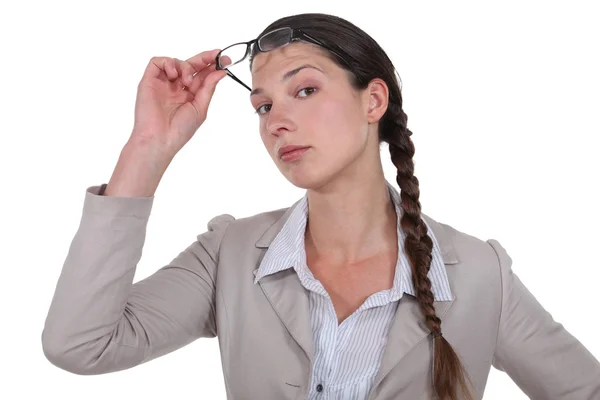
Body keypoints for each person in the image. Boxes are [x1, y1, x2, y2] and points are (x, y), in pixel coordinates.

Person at [41, 12, 600, 400]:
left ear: (373, 100)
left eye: (305, 90)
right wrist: (149, 146)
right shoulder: (229, 256)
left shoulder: (480, 275)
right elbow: (80, 345)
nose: (278, 119)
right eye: (262, 106)